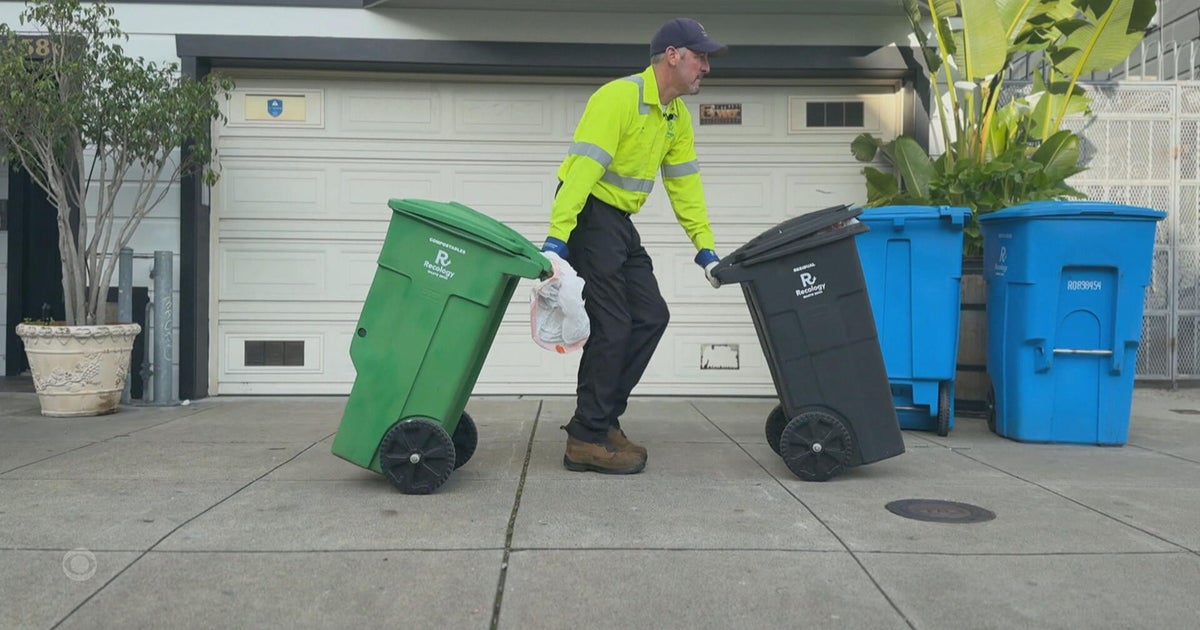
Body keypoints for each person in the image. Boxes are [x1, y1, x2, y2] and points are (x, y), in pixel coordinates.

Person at [541, 18, 727, 475]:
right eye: (700, 56)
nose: (706, 66)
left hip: (619, 223)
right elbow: (582, 170)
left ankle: (601, 421)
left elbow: (685, 185)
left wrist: (705, 247)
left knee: (651, 316)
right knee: (615, 325)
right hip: (589, 215)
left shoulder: (675, 118)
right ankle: (585, 437)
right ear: (672, 56)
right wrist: (557, 239)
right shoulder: (618, 98)